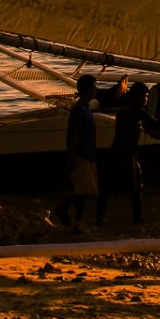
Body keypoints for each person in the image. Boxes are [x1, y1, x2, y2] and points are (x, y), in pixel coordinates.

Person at [98, 78, 149, 226]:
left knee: (106, 189)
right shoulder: (136, 111)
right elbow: (155, 123)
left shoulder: (123, 110)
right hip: (127, 154)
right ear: (136, 97)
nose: (146, 99)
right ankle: (137, 221)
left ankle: (99, 220)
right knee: (137, 188)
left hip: (115, 151)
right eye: (144, 96)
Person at [63, 73, 100, 232]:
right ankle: (65, 210)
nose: (96, 89)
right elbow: (73, 135)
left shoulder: (86, 107)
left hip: (88, 154)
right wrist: (72, 157)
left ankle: (78, 220)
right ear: (87, 89)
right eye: (94, 86)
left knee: (86, 190)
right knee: (84, 190)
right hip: (80, 155)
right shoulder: (78, 110)